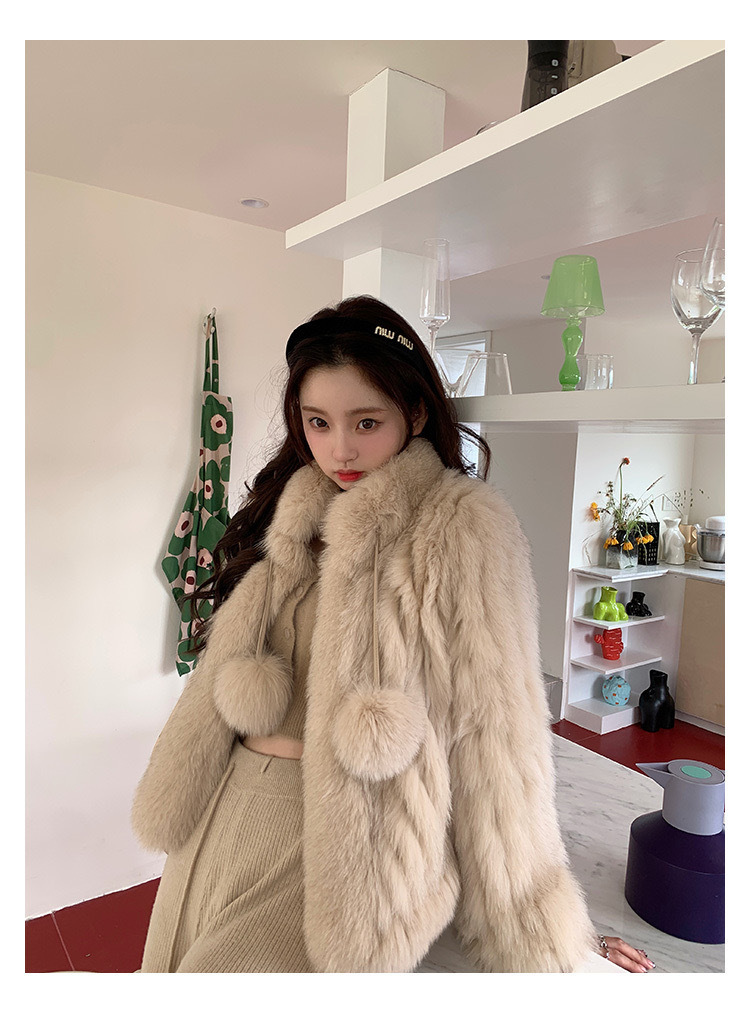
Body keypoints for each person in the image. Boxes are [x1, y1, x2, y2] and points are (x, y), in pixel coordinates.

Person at [131, 295, 654, 974]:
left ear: (415, 413)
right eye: (318, 422)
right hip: (221, 818)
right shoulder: (293, 515)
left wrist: (548, 932)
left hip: (333, 846)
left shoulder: (461, 528)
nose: (340, 449)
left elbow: (497, 738)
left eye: (366, 422)